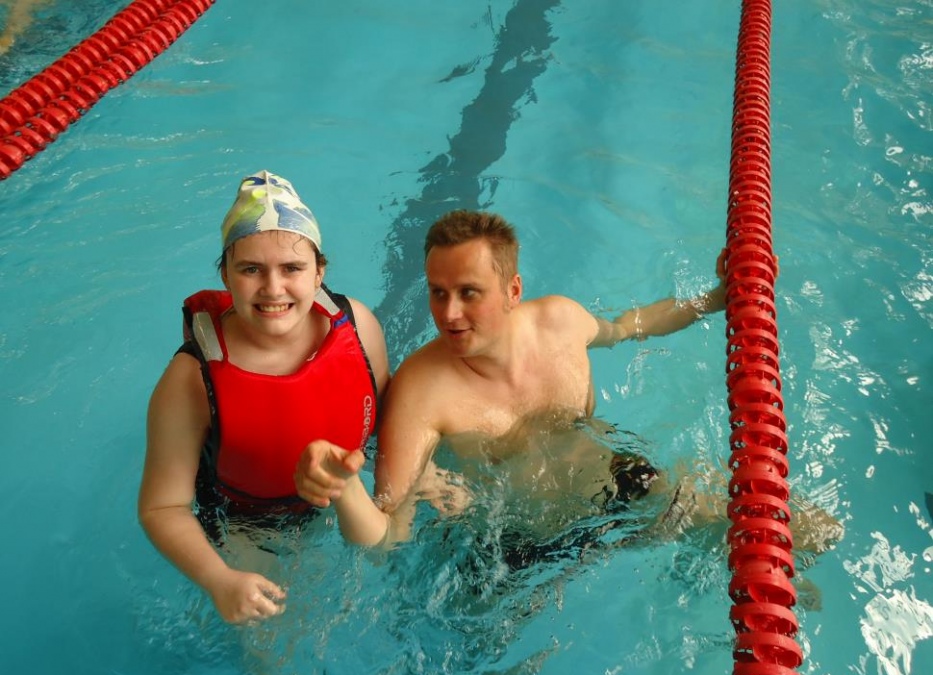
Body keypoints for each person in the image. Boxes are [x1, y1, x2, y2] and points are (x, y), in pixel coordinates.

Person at [294, 210, 745, 547]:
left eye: (469, 293)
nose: (449, 313)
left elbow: (631, 325)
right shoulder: (421, 392)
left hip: (616, 485)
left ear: (513, 291)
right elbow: (389, 535)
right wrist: (346, 489)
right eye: (438, 292)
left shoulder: (561, 322)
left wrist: (716, 297)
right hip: (518, 547)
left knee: (747, 522)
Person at [138, 170, 389, 624]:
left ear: (319, 272)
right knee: (273, 645)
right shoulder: (191, 380)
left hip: (347, 487)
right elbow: (162, 506)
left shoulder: (358, 327)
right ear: (225, 275)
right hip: (249, 524)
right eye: (251, 269)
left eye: (292, 268)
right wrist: (219, 579)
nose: (273, 289)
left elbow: (385, 421)